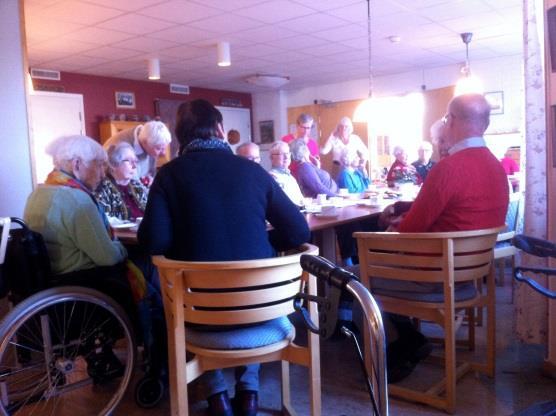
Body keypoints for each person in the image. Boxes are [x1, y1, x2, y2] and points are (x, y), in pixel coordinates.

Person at [138, 99, 310, 416]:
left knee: (180, 293)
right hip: (262, 311)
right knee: (249, 291)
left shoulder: (168, 176)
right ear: (220, 130)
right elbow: (300, 231)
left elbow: (154, 242)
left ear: (180, 139)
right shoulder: (254, 172)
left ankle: (217, 397)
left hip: (201, 313)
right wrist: (263, 242)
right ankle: (250, 393)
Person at [377, 93, 509, 381]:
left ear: (451, 122)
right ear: (484, 124)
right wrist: (405, 210)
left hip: (434, 278)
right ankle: (409, 339)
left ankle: (403, 345)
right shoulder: (497, 167)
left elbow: (411, 230)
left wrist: (394, 223)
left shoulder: (448, 168)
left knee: (355, 275)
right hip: (469, 276)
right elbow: (457, 206)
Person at [23, 135, 164, 381]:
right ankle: (158, 355)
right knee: (149, 276)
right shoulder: (76, 199)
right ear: (76, 164)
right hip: (86, 283)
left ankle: (112, 355)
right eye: (98, 164)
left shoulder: (39, 193)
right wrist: (121, 247)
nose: (103, 171)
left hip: (53, 281)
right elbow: (108, 256)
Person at [103, 120, 171, 186]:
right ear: (145, 142)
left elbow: (150, 173)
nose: (164, 153)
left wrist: (149, 178)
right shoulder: (119, 146)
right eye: (159, 148)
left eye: (164, 148)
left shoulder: (150, 139)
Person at [95, 142, 148, 221]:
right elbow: (104, 220)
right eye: (129, 161)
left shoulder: (136, 186)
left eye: (135, 161)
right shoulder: (102, 188)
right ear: (113, 164)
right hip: (120, 233)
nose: (134, 166)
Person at [268, 141, 304, 206]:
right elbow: (284, 205)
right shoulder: (273, 177)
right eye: (282, 154)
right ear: (271, 158)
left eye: (288, 153)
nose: (286, 157)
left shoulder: (289, 176)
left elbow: (300, 200)